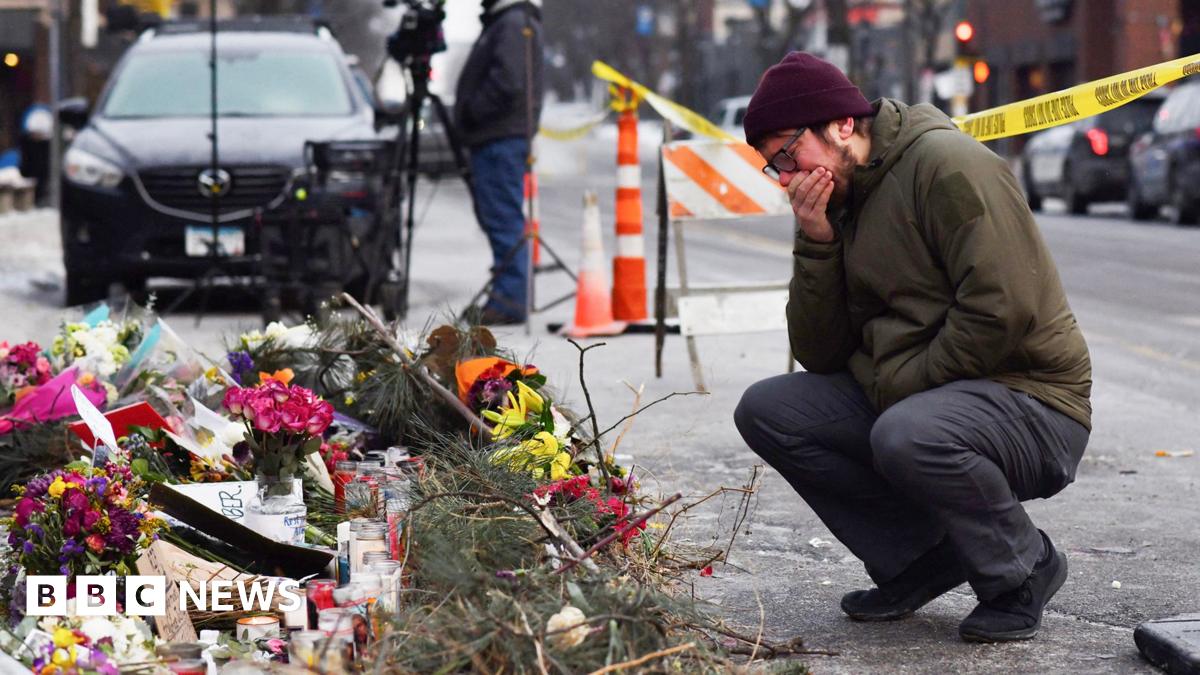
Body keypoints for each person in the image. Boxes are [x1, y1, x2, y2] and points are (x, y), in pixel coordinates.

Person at [733, 52, 1091, 643]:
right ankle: (921, 558)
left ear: (842, 125)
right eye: (776, 167)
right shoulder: (841, 199)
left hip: (1034, 401)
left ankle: (1022, 568)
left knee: (906, 433)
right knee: (769, 411)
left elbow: (1002, 307)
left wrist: (897, 388)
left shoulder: (947, 165)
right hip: (925, 394)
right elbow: (819, 354)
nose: (790, 178)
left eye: (790, 154)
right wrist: (818, 243)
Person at [455, 0, 544, 325]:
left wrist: (471, 111)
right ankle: (507, 294)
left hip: (499, 138)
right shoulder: (509, 21)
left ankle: (509, 299)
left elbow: (509, 81)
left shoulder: (511, 22)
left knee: (503, 218)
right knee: (501, 217)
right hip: (499, 137)